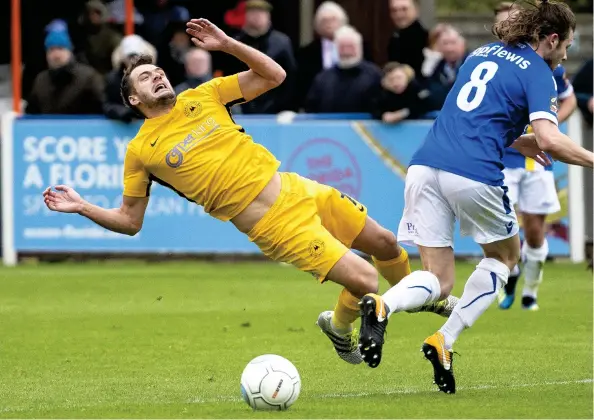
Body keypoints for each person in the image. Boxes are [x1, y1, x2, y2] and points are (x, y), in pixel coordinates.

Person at [42, 18, 457, 366]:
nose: (157, 76)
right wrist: (83, 207)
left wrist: (226, 44)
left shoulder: (202, 95)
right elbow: (130, 222)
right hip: (275, 225)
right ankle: (339, 326)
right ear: (134, 98)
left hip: (297, 188)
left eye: (158, 71)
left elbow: (274, 76)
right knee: (366, 279)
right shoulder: (140, 152)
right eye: (145, 78)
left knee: (385, 242)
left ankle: (421, 297)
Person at [355, 0, 593, 394]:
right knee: (504, 258)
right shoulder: (539, 73)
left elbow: (473, 116)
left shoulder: (481, 53)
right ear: (551, 39)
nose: (566, 52)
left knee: (439, 280)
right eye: (566, 44)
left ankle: (384, 306)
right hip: (473, 173)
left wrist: (518, 141)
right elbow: (552, 139)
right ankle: (444, 338)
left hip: (424, 166)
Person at [495, 2, 578, 311]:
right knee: (500, 227)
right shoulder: (493, 59)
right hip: (501, 158)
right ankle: (510, 274)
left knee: (533, 231)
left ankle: (530, 290)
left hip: (535, 158)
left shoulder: (548, 66)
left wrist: (550, 123)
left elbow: (568, 100)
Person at [304, 26, 381, 114]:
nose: (346, 52)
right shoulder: (322, 78)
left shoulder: (374, 75)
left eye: (350, 47)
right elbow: (311, 109)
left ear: (359, 48)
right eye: (342, 47)